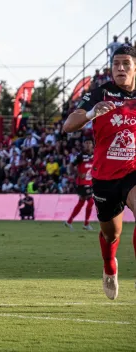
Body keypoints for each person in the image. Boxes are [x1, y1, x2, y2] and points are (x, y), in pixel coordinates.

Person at [63, 45, 136, 300]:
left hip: (132, 172)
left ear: (135, 67)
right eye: (116, 64)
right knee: (110, 234)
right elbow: (69, 125)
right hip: (105, 177)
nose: (121, 68)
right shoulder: (99, 93)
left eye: (126, 63)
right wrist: (93, 112)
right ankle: (109, 266)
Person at [64, 137, 95, 231]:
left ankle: (69, 221)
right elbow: (71, 165)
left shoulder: (95, 155)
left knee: (81, 202)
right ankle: (86, 224)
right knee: (91, 201)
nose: (88, 144)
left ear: (92, 145)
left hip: (90, 182)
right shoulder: (80, 156)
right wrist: (78, 174)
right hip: (82, 182)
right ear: (84, 144)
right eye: (86, 143)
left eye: (89, 143)